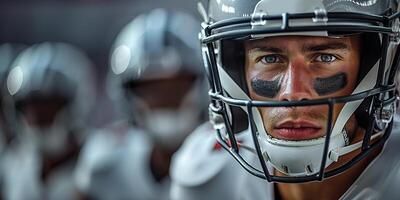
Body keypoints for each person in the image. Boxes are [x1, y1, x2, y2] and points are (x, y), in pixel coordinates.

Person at [173, 0, 400, 199]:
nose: (293, 92)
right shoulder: (209, 179)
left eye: (325, 57)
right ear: (235, 71)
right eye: (270, 58)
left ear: (373, 65)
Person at [73, 8, 207, 200]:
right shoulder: (105, 163)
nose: (164, 99)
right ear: (127, 95)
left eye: (176, 86)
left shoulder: (233, 163)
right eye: (151, 89)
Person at [0, 42, 96, 200]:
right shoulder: (12, 168)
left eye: (49, 109)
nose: (38, 120)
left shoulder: (101, 161)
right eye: (31, 111)